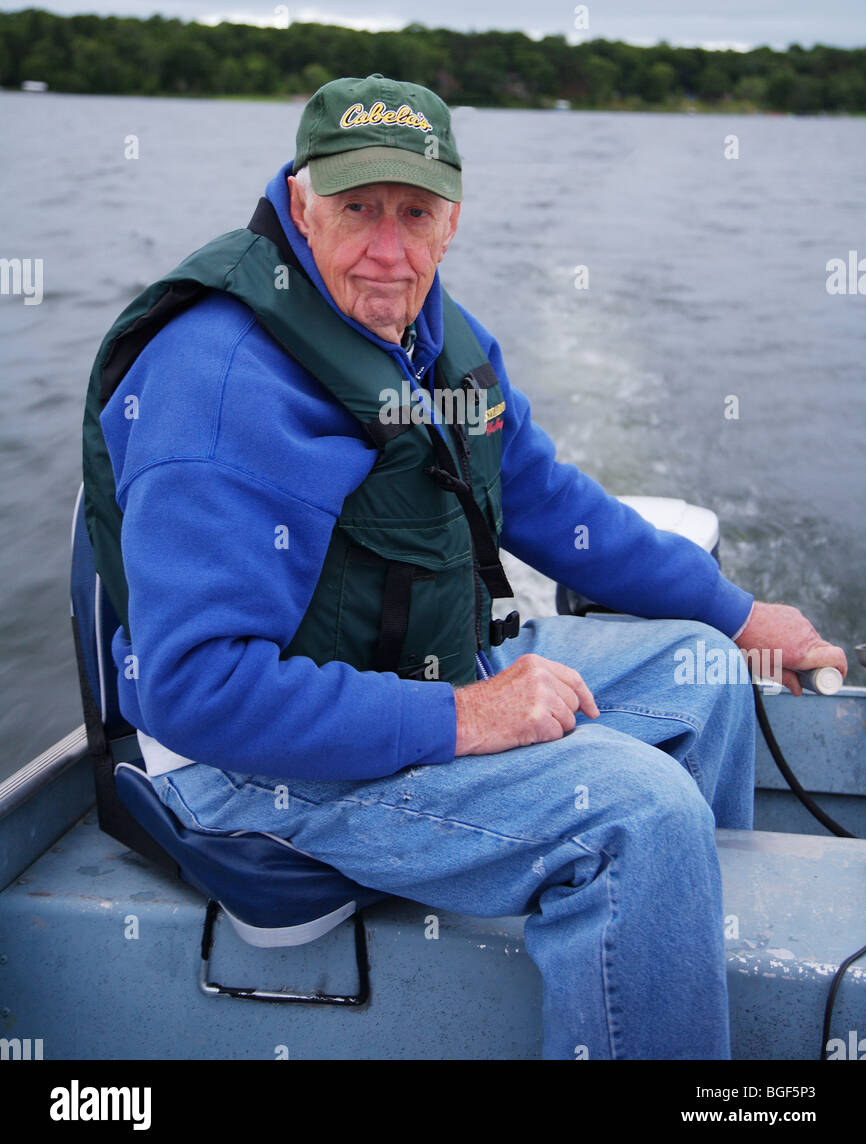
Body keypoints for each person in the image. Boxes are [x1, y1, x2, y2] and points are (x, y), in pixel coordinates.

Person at [84, 72, 847, 1060]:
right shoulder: (220, 383)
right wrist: (466, 719)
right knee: (634, 810)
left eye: (415, 212)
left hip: (414, 667)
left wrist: (740, 616)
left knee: (701, 675)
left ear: (453, 221)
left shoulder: (434, 340)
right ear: (302, 201)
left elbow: (549, 505)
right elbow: (196, 689)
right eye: (357, 208)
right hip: (248, 765)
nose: (388, 249)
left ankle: (673, 997)